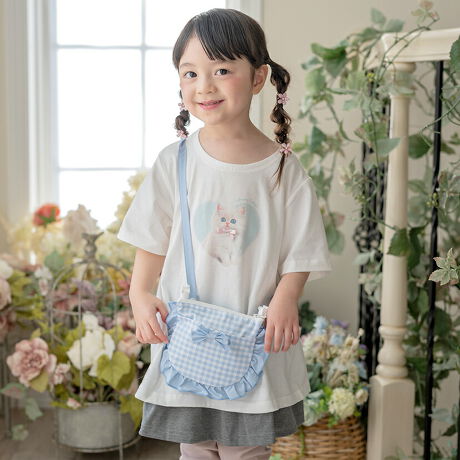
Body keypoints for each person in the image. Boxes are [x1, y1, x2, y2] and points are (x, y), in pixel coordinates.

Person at [117, 8, 332, 460]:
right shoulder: (174, 161)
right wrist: (140, 293)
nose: (204, 86)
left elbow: (303, 247)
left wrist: (287, 297)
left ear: (258, 78)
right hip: (187, 333)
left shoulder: (282, 169)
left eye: (221, 70)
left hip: (254, 332)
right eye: (190, 73)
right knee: (194, 447)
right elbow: (151, 237)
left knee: (246, 449)